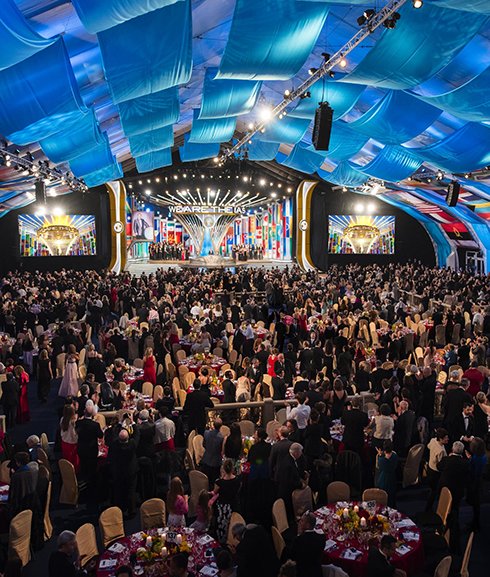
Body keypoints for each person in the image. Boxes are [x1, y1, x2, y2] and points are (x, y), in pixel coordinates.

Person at [438, 441, 470, 551]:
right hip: (457, 492)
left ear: (452, 449)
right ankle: (453, 530)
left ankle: (446, 527)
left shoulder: (446, 459)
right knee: (455, 510)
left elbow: (438, 466)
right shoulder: (466, 463)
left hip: (444, 490)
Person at [109, 427, 140, 518]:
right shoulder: (132, 444)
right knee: (131, 490)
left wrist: (119, 425)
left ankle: (120, 509)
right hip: (130, 471)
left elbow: (114, 436)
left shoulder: (115, 445)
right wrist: (134, 424)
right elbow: (137, 435)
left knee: (119, 490)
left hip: (118, 471)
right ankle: (132, 510)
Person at [75, 402, 103, 487]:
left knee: (83, 467)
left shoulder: (78, 423)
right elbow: (100, 435)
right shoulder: (95, 425)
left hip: (81, 449)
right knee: (92, 469)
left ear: (84, 412)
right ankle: (92, 486)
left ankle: (83, 483)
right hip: (92, 450)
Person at [214, 458, 241, 543]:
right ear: (232, 468)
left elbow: (214, 492)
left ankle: (221, 540)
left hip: (223, 507)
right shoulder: (238, 480)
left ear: (223, 469)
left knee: (222, 525)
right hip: (234, 504)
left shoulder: (219, 482)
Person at [291, 512, 326, 577]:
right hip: (317, 572)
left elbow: (293, 556)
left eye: (301, 521)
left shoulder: (298, 541)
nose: (299, 522)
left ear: (307, 525)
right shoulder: (322, 538)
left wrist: (299, 534)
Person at [466, 437, 487, 532]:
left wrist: (469, 460)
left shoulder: (476, 458)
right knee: (476, 505)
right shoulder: (483, 456)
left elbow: (473, 471)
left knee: (476, 504)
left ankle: (476, 525)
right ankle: (475, 522)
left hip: (475, 483)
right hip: (479, 483)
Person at [425, 428, 449, 511]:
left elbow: (428, 446)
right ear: (441, 439)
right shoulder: (440, 451)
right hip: (435, 473)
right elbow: (441, 465)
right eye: (446, 438)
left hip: (430, 468)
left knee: (432, 489)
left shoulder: (433, 440)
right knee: (434, 491)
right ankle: (429, 508)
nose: (448, 439)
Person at [200, 419, 224, 487]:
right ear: (221, 426)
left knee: (205, 481)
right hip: (216, 463)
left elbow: (203, 445)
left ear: (213, 425)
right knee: (213, 483)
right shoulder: (221, 438)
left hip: (206, 460)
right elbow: (222, 451)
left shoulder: (206, 433)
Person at [375, 440, 399, 507]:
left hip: (383, 479)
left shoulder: (382, 460)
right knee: (391, 494)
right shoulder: (395, 456)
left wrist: (380, 455)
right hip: (392, 478)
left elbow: (378, 467)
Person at [60, 405, 79, 472]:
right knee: (74, 463)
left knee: (67, 461)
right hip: (72, 445)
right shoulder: (72, 423)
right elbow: (74, 436)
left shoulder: (62, 419)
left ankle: (67, 473)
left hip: (64, 443)